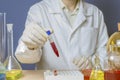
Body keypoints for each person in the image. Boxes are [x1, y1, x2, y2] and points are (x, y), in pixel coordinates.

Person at [15, 0, 109, 70]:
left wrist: (92, 64)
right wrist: (30, 46)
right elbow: (24, 58)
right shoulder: (39, 10)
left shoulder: (95, 13)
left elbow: (105, 52)